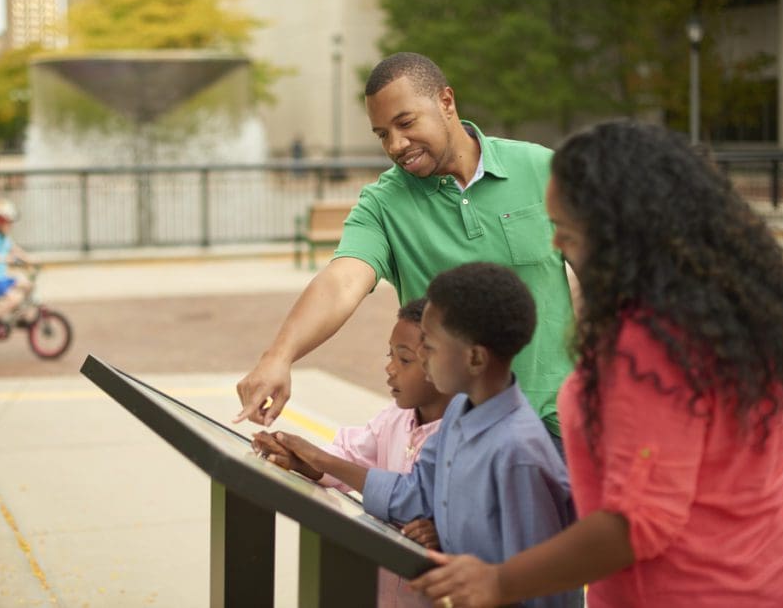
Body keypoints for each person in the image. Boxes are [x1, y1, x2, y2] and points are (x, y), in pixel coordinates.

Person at [409, 120, 783, 607]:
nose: (556, 245)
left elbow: (635, 525)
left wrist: (501, 581)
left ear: (622, 232)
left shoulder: (647, 346)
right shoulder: (743, 305)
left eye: (565, 230)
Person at [236, 53, 574, 458]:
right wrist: (280, 356)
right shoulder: (382, 204)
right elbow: (342, 281)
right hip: (459, 439)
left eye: (405, 123)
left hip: (562, 425)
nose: (396, 145)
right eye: (382, 134)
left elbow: (606, 274)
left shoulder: (540, 168)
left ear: (446, 102)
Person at [261, 263, 578, 608]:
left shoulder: (519, 454)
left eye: (430, 347)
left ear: (474, 358)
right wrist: (317, 460)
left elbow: (544, 586)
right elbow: (417, 493)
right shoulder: (461, 414)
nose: (423, 360)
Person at [253, 297, 452, 608]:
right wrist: (302, 461)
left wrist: (446, 533)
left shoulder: (462, 436)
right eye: (390, 355)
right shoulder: (396, 417)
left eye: (405, 359)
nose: (390, 369)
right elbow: (350, 454)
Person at [0, 199, 36, 329]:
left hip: (2, 277)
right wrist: (5, 259)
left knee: (28, 285)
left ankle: (19, 316)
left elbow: (17, 251)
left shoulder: (5, 238)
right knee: (15, 299)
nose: (10, 226)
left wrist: (30, 260)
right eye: (8, 223)